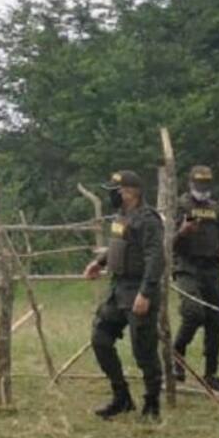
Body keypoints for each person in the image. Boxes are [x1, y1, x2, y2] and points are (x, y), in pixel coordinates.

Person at [83, 170, 166, 421]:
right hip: (117, 288)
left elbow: (155, 258)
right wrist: (100, 261)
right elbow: (119, 244)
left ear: (132, 192)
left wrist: (146, 293)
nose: (114, 195)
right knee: (100, 338)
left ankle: (152, 403)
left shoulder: (148, 219)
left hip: (138, 289)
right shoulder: (122, 216)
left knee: (144, 350)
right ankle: (122, 397)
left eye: (117, 191)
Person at [172, 165, 219, 393]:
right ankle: (176, 355)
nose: (202, 188)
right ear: (190, 184)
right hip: (187, 267)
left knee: (216, 319)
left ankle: (211, 374)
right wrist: (182, 232)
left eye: (206, 184)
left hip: (211, 269)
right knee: (193, 312)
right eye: (198, 184)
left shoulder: (215, 208)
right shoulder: (180, 206)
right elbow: (167, 241)